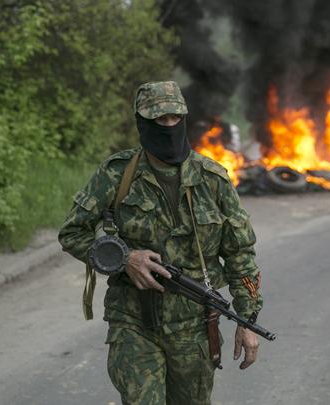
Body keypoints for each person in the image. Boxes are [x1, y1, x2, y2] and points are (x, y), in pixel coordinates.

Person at [58, 81, 263, 405]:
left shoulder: (212, 179)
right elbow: (72, 233)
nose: (168, 126)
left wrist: (248, 320)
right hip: (133, 322)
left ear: (183, 118)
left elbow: (241, 257)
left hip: (194, 328)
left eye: (174, 118)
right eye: (159, 119)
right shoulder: (117, 174)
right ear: (142, 122)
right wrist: (124, 258)